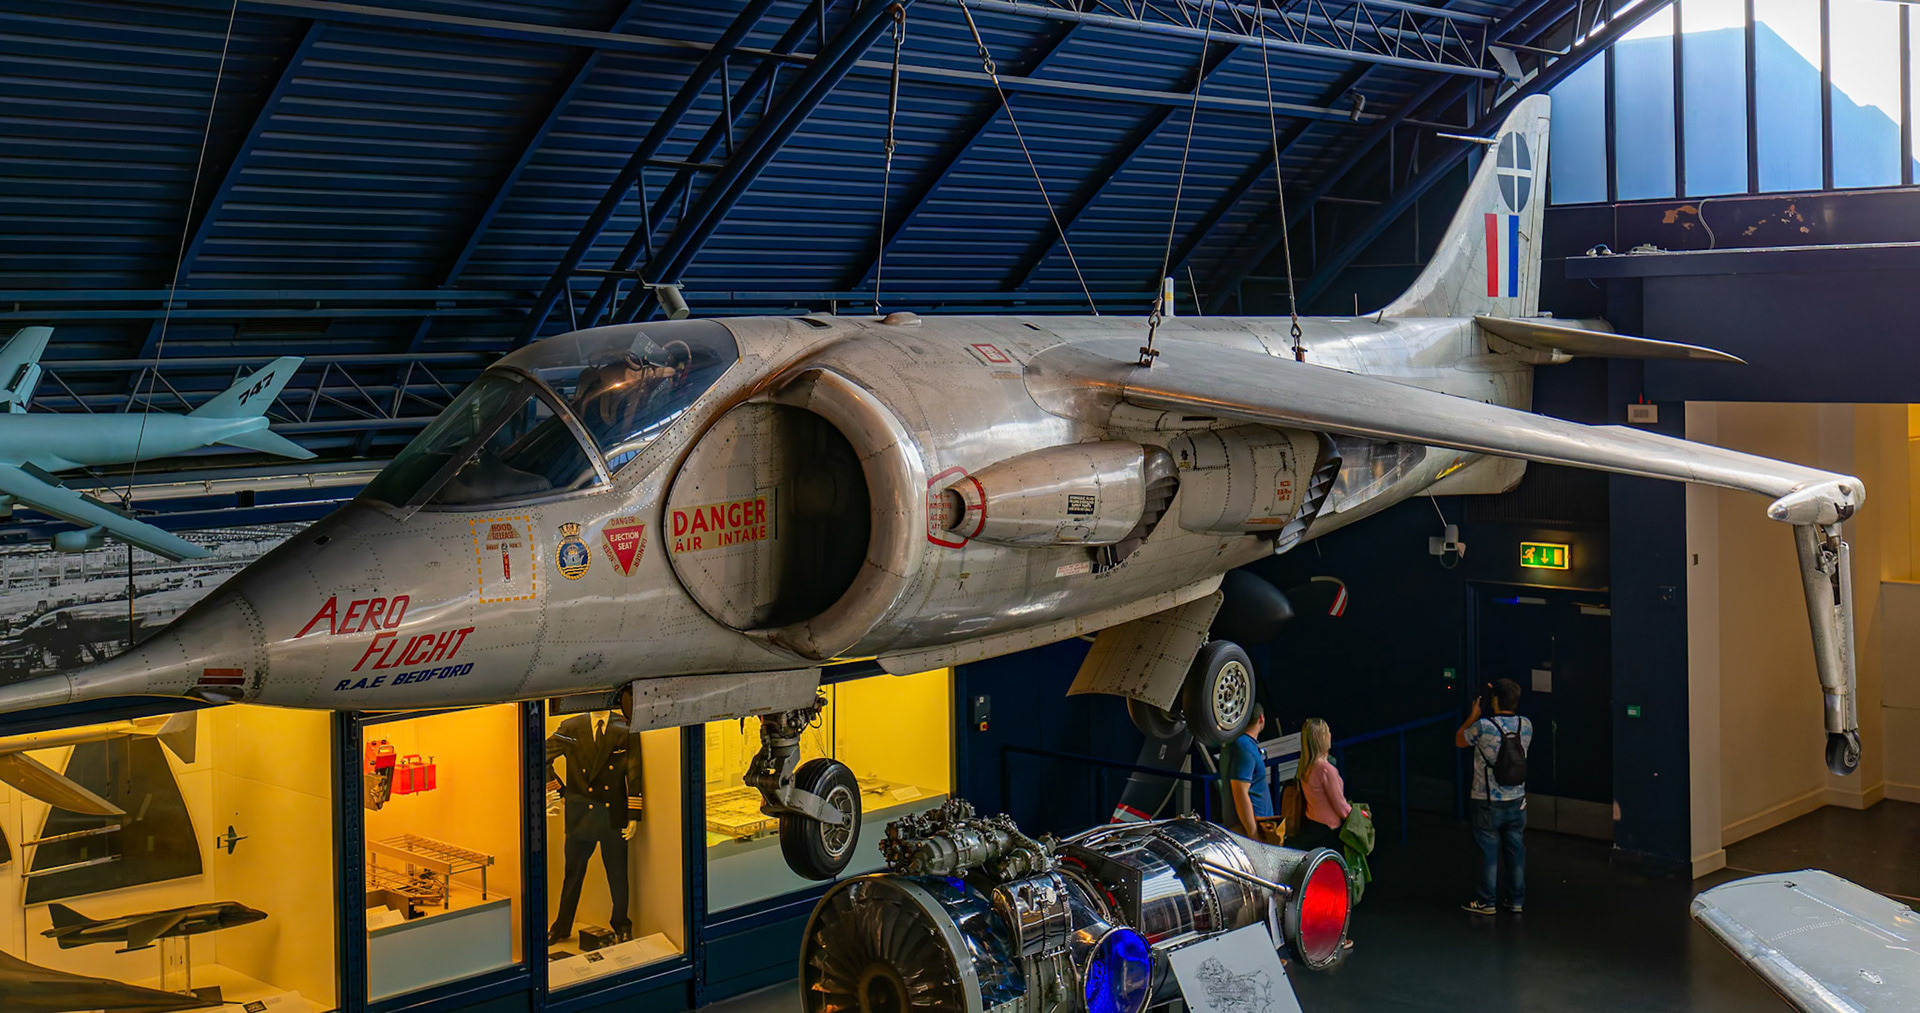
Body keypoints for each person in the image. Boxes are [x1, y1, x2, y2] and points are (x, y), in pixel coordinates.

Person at [546, 691, 645, 945]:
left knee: (617, 874)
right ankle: (561, 926)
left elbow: (634, 774)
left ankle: (622, 924)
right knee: (573, 874)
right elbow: (539, 756)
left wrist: (634, 816)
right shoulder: (572, 727)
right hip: (581, 815)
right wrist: (558, 790)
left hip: (613, 815)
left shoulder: (625, 727)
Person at [1455, 678, 1532, 915]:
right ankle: (1516, 900)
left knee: (1488, 851)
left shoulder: (1483, 727)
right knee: (1515, 850)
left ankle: (1487, 901)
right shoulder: (1526, 725)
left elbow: (1459, 739)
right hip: (1517, 800)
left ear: (1495, 701)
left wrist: (1473, 715)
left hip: (1486, 800)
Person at [1289, 718, 1351, 852]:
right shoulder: (1326, 770)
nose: (1330, 734)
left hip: (1311, 826)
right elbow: (1340, 806)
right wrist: (1358, 816)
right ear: (1322, 738)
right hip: (1329, 832)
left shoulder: (1305, 767)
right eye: (1327, 731)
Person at [1217, 703, 1272, 837]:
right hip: (1248, 830)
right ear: (1261, 718)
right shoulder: (1244, 747)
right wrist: (1253, 833)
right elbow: (1240, 791)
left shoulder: (1240, 744)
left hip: (1254, 826)